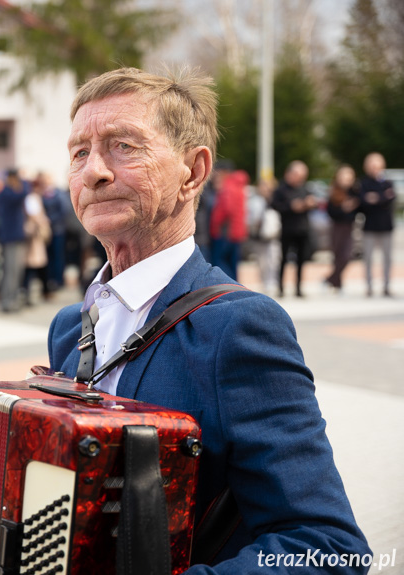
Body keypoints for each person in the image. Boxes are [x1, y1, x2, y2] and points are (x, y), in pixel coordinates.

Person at [48, 67, 369, 572]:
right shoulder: (70, 326)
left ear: (194, 172)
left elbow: (329, 547)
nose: (94, 172)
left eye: (123, 146)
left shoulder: (238, 328)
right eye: (79, 152)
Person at [272, 160, 316, 298]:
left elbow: (313, 204)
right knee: (284, 259)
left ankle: (298, 287)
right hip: (287, 229)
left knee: (301, 259)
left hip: (303, 229)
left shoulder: (305, 188)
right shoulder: (281, 189)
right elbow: (275, 205)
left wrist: (309, 204)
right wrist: (291, 206)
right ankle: (281, 287)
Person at [359, 152, 396, 298]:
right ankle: (369, 285)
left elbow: (391, 198)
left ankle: (386, 285)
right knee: (368, 258)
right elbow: (364, 202)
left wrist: (375, 198)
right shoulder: (364, 183)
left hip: (386, 226)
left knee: (387, 258)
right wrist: (382, 197)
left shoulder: (387, 182)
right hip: (370, 226)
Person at [0, 168, 29, 312]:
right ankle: (8, 301)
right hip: (11, 237)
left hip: (13, 236)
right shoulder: (6, 192)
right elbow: (23, 193)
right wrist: (24, 181)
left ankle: (10, 300)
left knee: (14, 271)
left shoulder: (6, 191)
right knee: (11, 271)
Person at [209, 168, 248, 281]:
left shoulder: (227, 188)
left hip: (225, 231)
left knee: (219, 262)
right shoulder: (240, 189)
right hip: (237, 232)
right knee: (233, 262)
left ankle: (225, 285)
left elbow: (226, 209)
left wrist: (215, 224)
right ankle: (234, 286)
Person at [325, 165, 359, 292]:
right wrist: (343, 209)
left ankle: (330, 279)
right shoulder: (334, 191)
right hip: (337, 226)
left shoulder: (354, 191)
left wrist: (351, 208)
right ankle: (337, 283)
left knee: (347, 255)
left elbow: (360, 207)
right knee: (338, 254)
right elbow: (330, 211)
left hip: (349, 226)